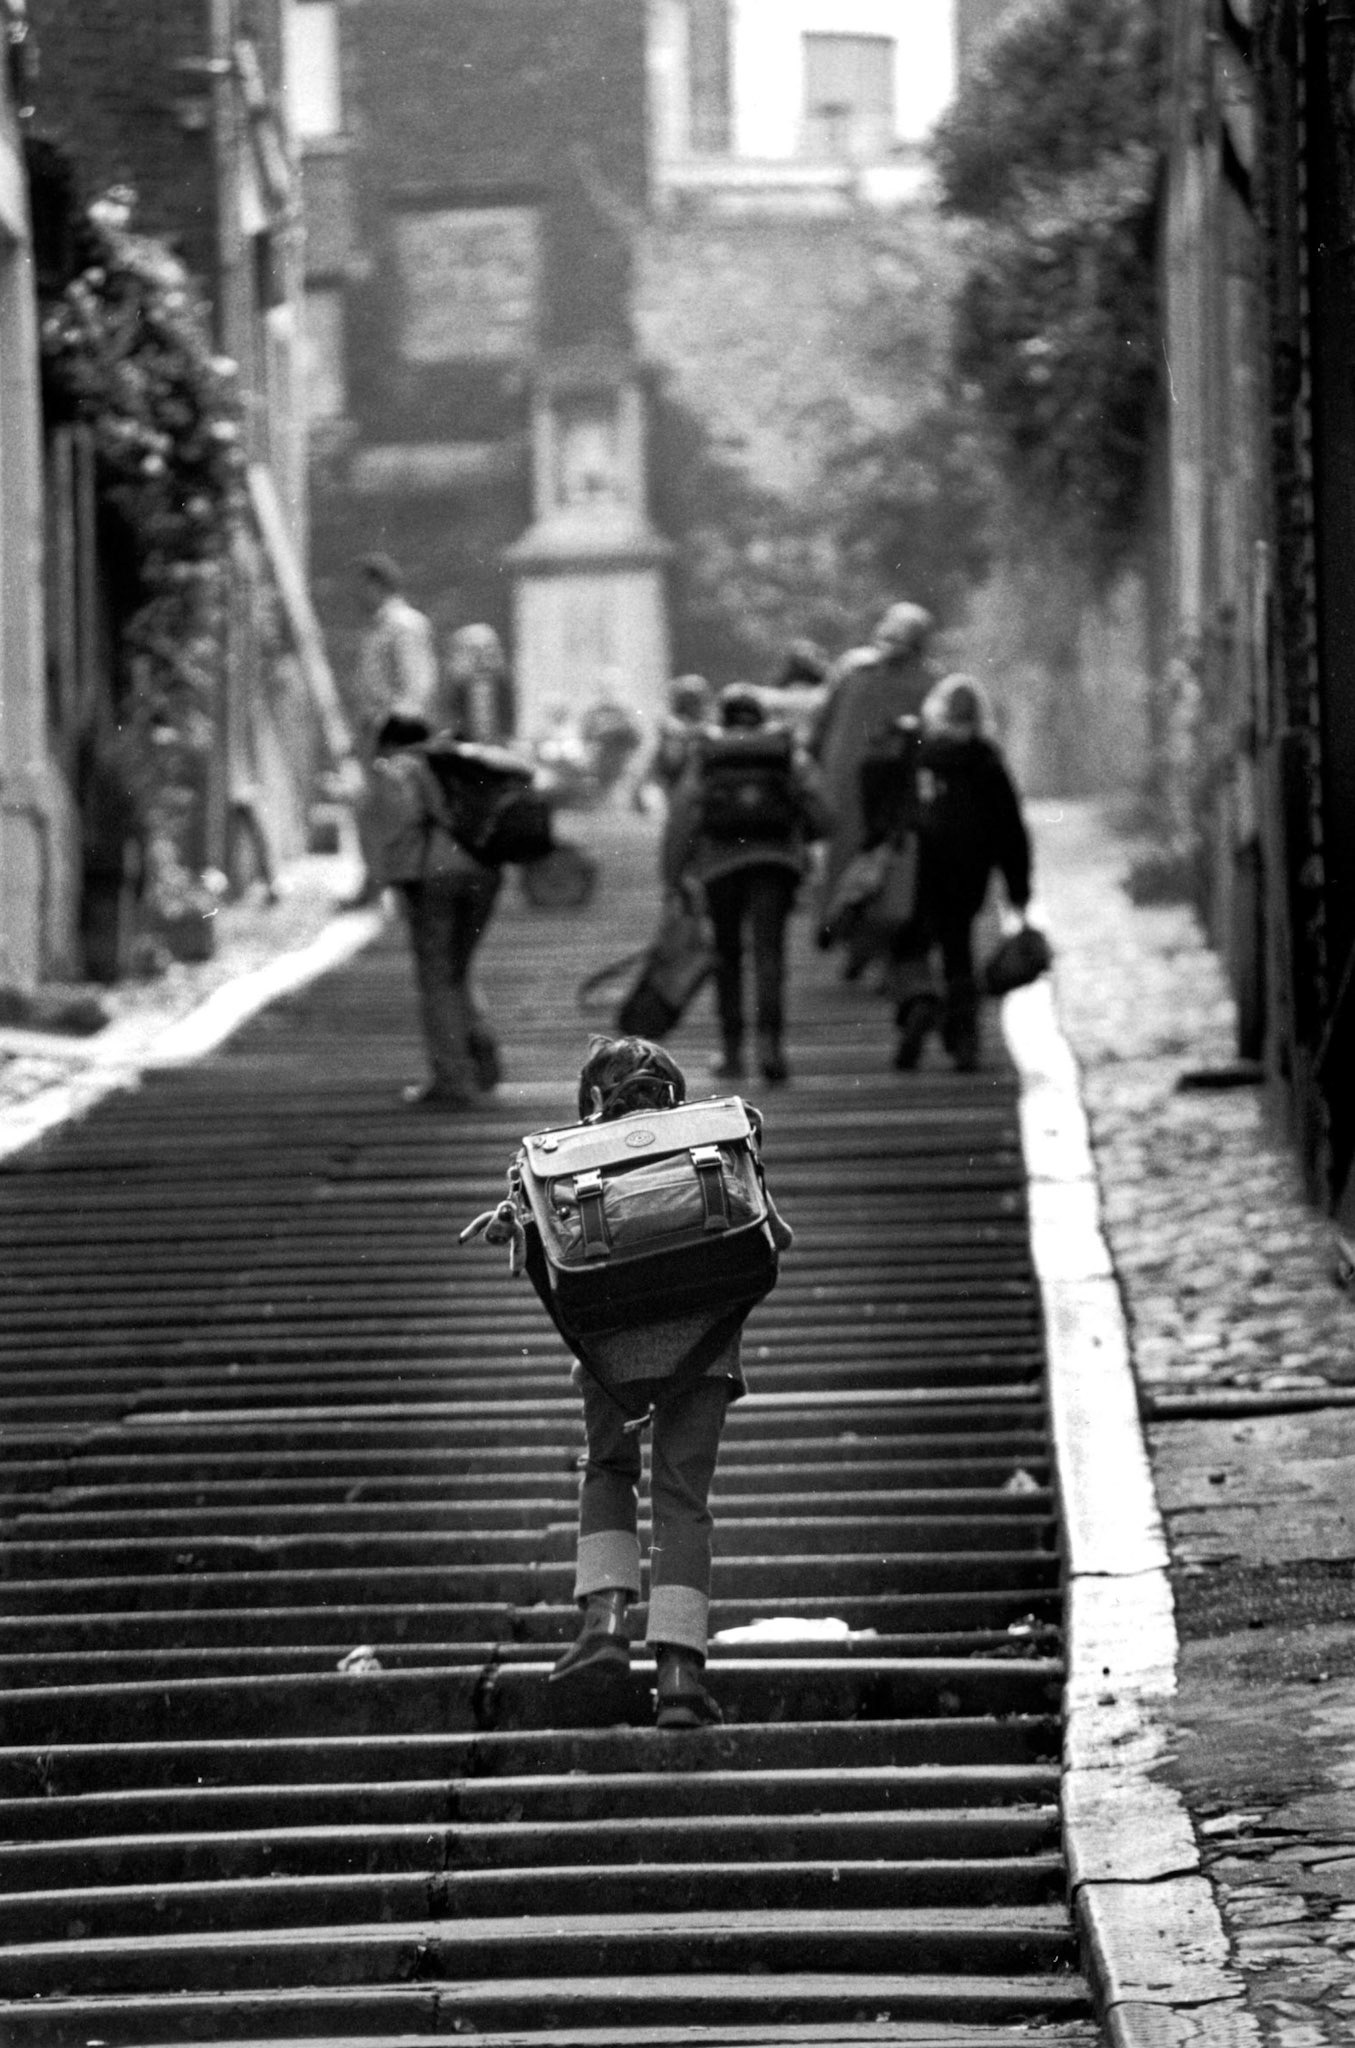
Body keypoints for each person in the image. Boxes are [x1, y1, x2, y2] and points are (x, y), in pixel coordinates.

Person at [469, 1034, 795, 1729]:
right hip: (706, 1354)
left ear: (593, 1098)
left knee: (609, 1471)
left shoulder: (568, 1158)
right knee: (684, 1503)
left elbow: (540, 1248)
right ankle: (679, 1674)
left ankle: (604, 1624)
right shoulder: (714, 1140)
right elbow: (775, 1238)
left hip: (610, 1357)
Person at [666, 683, 834, 1086]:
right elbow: (824, 810)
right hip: (775, 864)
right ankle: (771, 1048)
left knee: (727, 957)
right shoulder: (783, 750)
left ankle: (733, 1052)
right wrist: (803, 836)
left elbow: (684, 813)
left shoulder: (707, 752)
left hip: (719, 866)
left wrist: (672, 875)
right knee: (769, 955)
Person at [875, 673, 1032, 1074]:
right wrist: (1018, 887)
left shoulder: (922, 753)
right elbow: (1009, 827)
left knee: (909, 944)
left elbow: (890, 804)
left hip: (919, 867)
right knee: (957, 947)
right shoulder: (986, 759)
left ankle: (918, 1004)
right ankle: (964, 1038)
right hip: (969, 869)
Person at [366, 712, 502, 1108]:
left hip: (435, 877)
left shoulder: (400, 768)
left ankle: (454, 1078)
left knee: (438, 978)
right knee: (460, 970)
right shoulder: (458, 760)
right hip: (484, 872)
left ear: (390, 742)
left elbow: (397, 825)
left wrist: (389, 877)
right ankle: (483, 1061)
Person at [810, 602, 938, 924]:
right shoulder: (926, 680)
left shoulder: (853, 670)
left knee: (853, 857)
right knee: (888, 861)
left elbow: (818, 729)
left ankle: (840, 923)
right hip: (874, 788)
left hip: (856, 785)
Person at [344, 554, 439, 908]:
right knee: (374, 811)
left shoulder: (404, 625)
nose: (358, 595)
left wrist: (397, 732)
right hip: (375, 732)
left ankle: (403, 886)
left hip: (394, 735)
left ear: (378, 585)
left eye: (363, 586)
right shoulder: (379, 625)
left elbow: (417, 685)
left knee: (399, 810)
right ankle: (378, 881)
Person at [441, 623, 516, 743]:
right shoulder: (447, 692)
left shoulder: (506, 688)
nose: (482, 658)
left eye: (489, 649)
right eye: (474, 650)